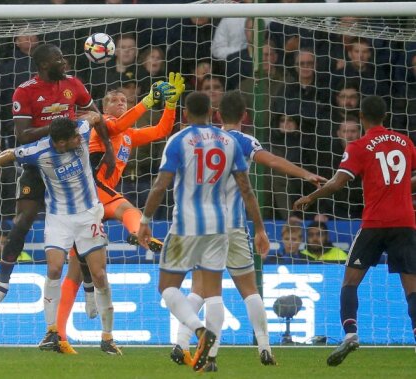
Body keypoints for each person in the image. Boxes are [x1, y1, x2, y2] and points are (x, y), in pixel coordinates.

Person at [169, 90, 326, 368]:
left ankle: (186, 345)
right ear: (245, 116)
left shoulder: (208, 142)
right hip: (235, 225)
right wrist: (306, 174)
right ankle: (264, 346)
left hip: (204, 224)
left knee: (200, 290)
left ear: (217, 115)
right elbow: (274, 162)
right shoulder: (245, 142)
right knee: (250, 290)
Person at [137, 91, 271, 372]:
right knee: (213, 293)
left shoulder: (178, 140)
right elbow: (246, 189)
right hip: (219, 226)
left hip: (185, 226)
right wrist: (259, 227)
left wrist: (145, 219)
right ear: (212, 113)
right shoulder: (229, 142)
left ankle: (198, 331)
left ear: (185, 113)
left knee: (167, 287)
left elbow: (161, 185)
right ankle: (211, 357)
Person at [0, 113, 122, 355]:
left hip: (89, 214)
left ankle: (108, 337)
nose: (79, 141)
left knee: (100, 274)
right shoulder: (39, 151)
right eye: (72, 139)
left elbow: (95, 116)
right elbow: (8, 154)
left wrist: (109, 148)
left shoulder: (80, 130)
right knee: (53, 269)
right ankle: (52, 332)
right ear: (60, 143)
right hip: (58, 217)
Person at [0, 43, 115, 315]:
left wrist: (109, 151)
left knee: (78, 220)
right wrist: (55, 129)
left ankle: (89, 289)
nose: (64, 62)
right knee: (23, 221)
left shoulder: (73, 84)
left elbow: (97, 116)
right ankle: (1, 285)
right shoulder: (25, 91)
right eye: (58, 59)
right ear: (44, 65)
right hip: (38, 160)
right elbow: (22, 135)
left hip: (69, 159)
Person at [55, 73, 184, 354]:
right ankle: (59, 335)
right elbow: (121, 124)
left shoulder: (127, 135)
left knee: (95, 271)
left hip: (102, 201)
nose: (119, 103)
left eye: (123, 100)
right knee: (78, 270)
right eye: (113, 100)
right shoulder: (104, 126)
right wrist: (149, 102)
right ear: (103, 107)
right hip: (88, 197)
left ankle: (79, 336)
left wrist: (171, 104)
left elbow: (161, 131)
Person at [293, 95, 416, 366]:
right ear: (385, 116)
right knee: (412, 288)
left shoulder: (359, 146)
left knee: (350, 282)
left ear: (361, 118)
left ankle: (350, 334)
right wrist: (401, 188)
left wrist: (311, 198)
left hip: (374, 224)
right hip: (405, 223)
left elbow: (338, 182)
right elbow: (405, 178)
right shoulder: (406, 143)